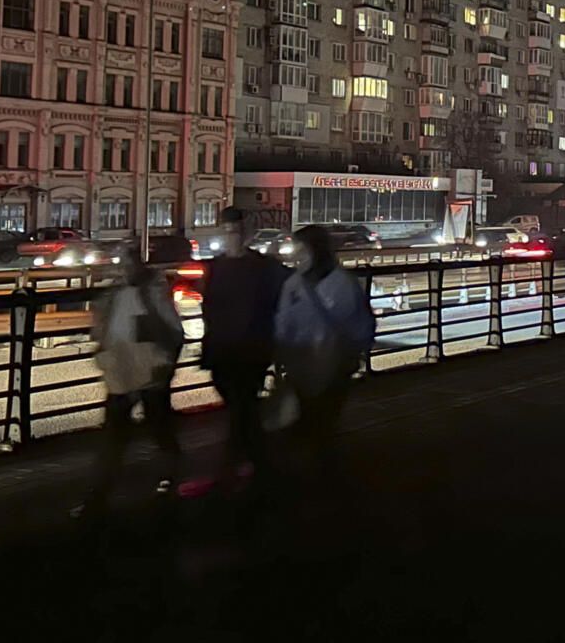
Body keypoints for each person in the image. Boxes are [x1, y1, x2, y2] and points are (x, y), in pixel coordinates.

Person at [74, 245, 185, 518]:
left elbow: (172, 330)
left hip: (147, 371)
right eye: (121, 264)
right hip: (123, 372)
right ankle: (99, 496)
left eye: (127, 264)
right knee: (118, 436)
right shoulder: (120, 294)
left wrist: (163, 365)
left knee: (153, 428)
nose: (124, 270)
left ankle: (167, 476)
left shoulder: (150, 293)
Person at [200, 206, 290, 490]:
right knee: (243, 408)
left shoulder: (261, 267)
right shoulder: (218, 267)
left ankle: (237, 468)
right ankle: (257, 465)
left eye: (236, 231)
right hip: (227, 348)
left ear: (245, 233)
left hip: (249, 348)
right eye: (228, 231)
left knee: (241, 406)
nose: (232, 237)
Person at [274, 224, 375, 471]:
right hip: (304, 365)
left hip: (331, 365)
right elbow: (283, 323)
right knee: (314, 420)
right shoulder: (295, 284)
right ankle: (318, 469)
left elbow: (357, 325)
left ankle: (319, 470)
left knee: (321, 420)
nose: (296, 257)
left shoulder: (341, 284)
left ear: (315, 250)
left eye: (301, 250)